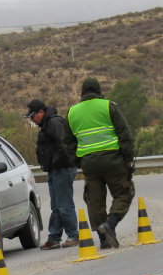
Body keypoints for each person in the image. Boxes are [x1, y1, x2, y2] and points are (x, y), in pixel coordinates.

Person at [62, 77, 135, 249]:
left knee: (94, 200)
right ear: (100, 92)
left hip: (89, 163)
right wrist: (128, 159)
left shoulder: (72, 112)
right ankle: (110, 223)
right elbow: (125, 134)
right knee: (124, 192)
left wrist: (79, 161)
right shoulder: (108, 106)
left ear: (81, 94)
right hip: (113, 160)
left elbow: (67, 142)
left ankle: (103, 239)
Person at [25, 99, 79, 249]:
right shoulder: (47, 124)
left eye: (33, 116)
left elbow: (64, 146)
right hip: (55, 170)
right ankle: (54, 238)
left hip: (62, 168)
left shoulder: (54, 123)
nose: (32, 120)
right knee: (56, 205)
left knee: (64, 204)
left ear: (41, 112)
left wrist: (55, 162)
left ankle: (73, 236)